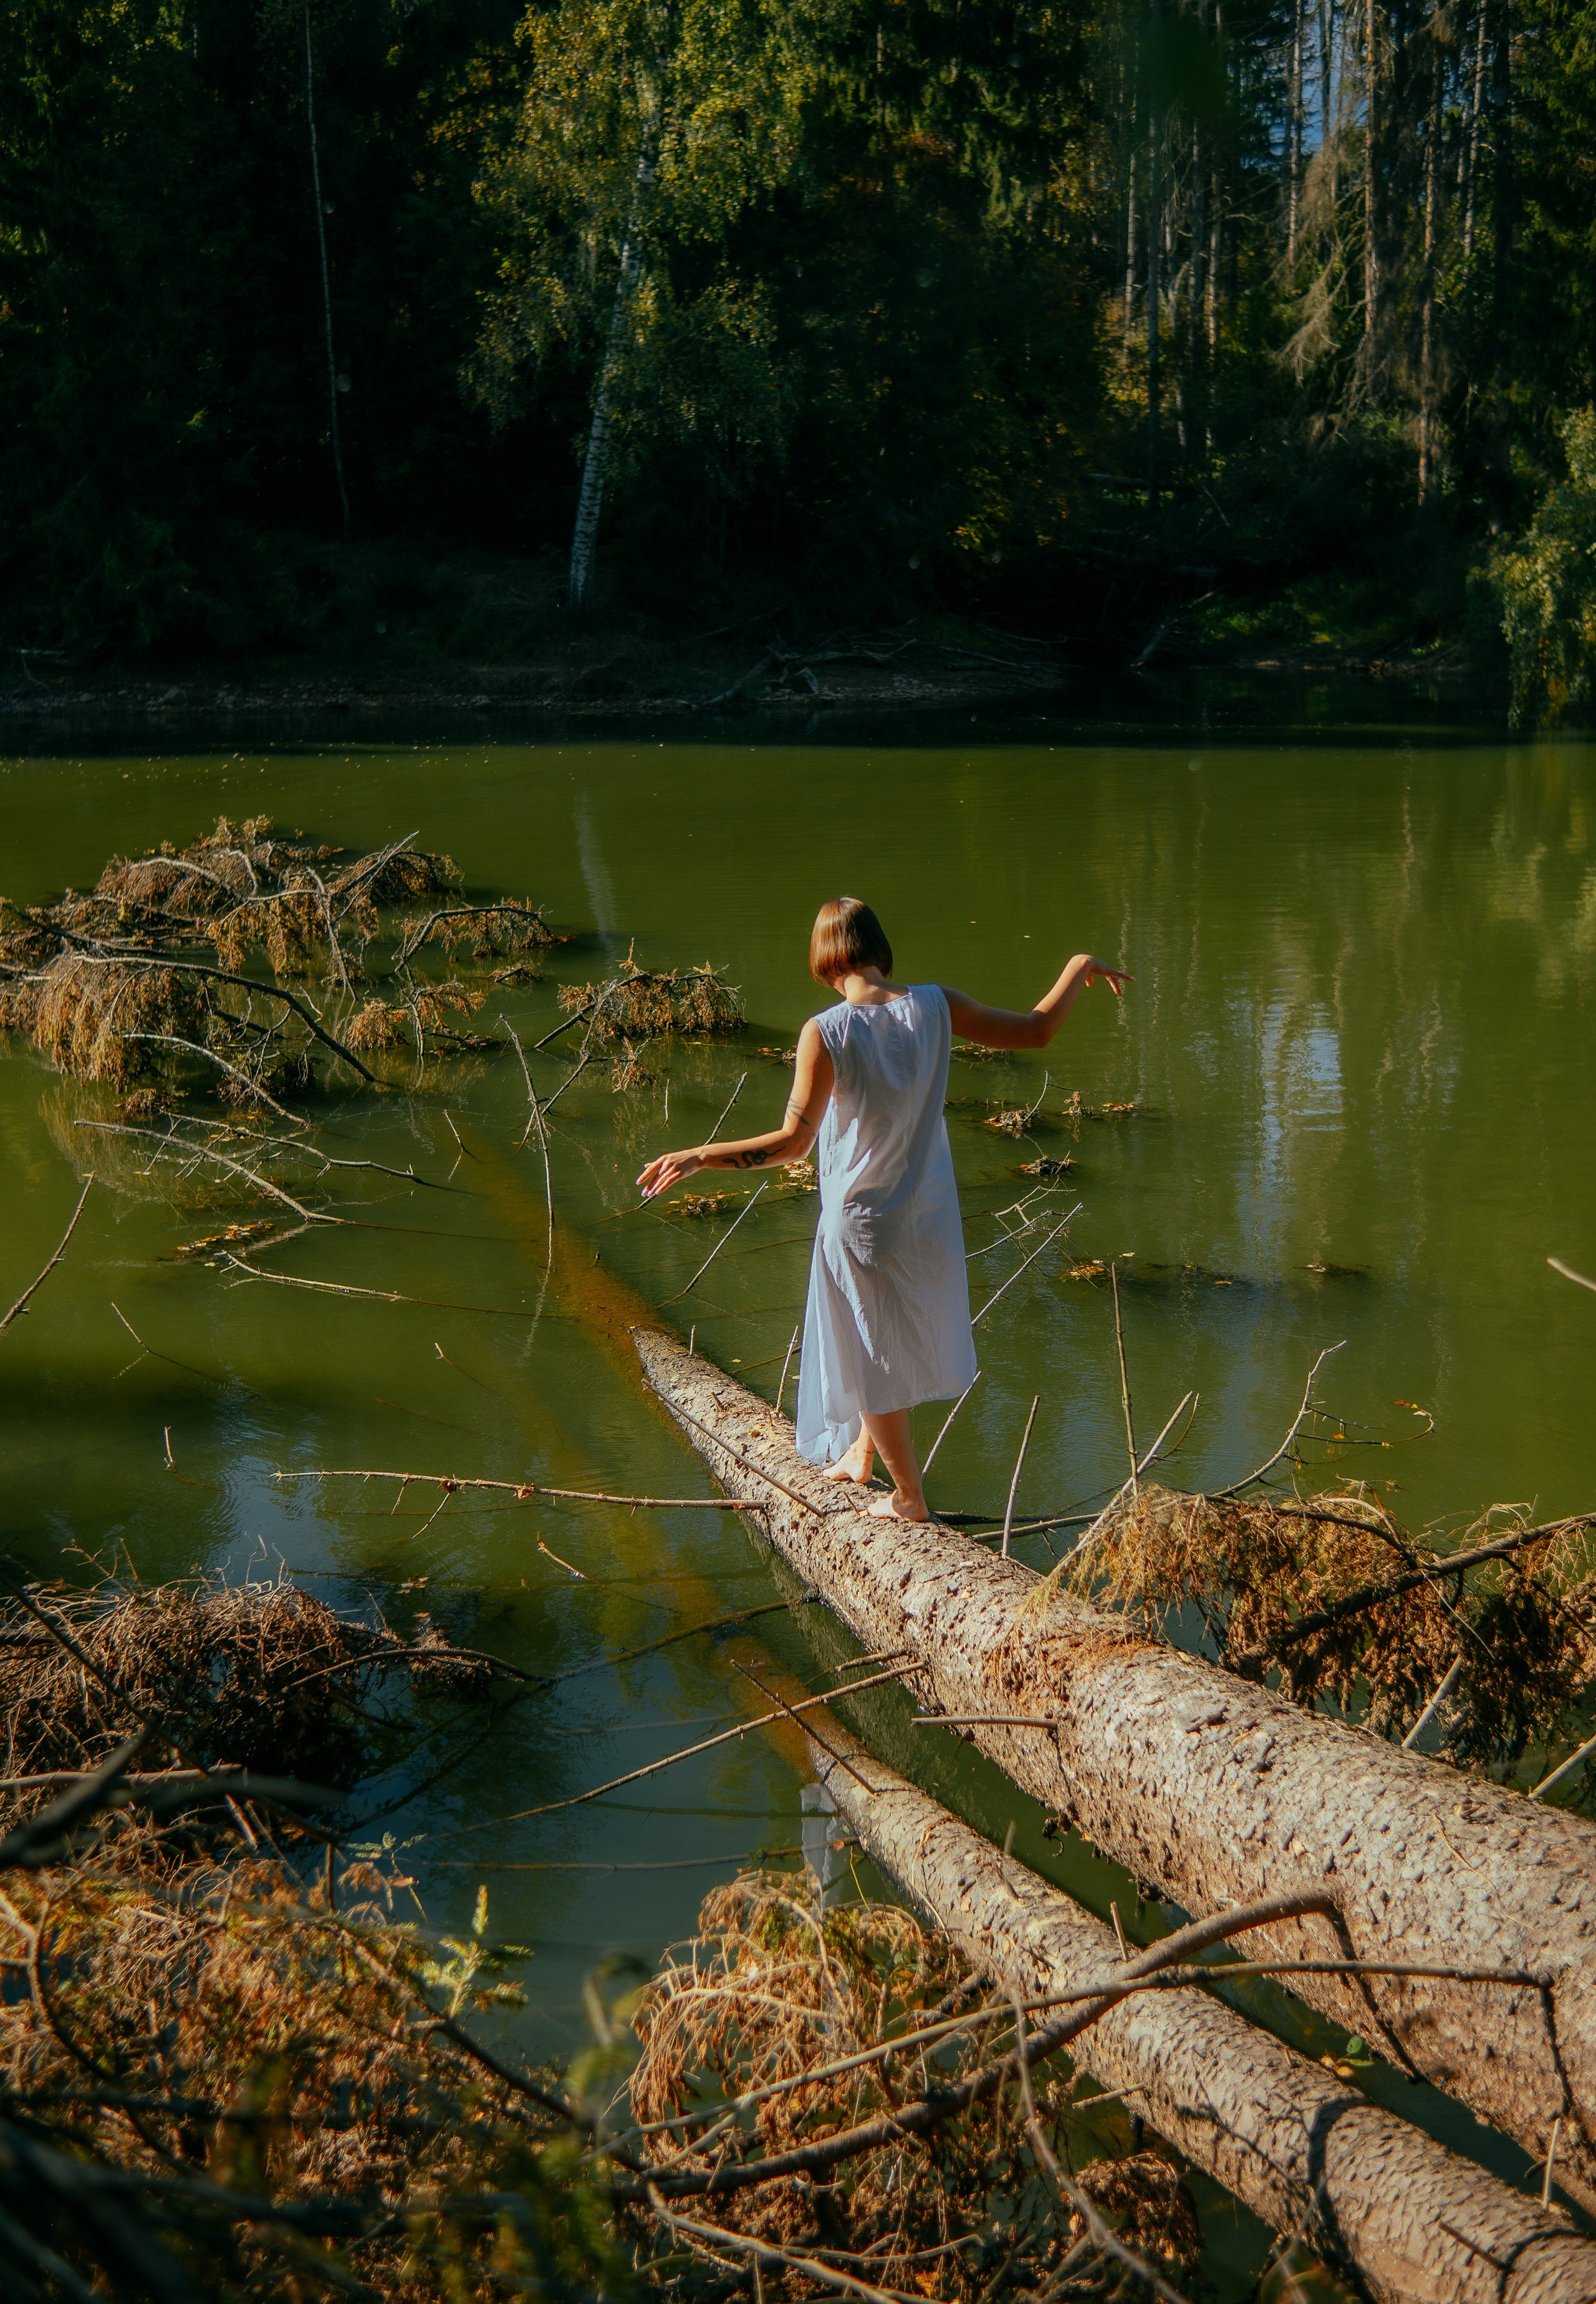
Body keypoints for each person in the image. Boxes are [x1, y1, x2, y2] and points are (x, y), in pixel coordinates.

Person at [637, 898, 1130, 1521]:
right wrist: (1078, 963)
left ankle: (907, 1496)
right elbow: (1035, 1030)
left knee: (868, 1355)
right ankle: (861, 1456)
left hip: (861, 1219)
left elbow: (791, 1144)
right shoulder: (936, 1004)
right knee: (885, 1339)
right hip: (926, 1213)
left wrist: (702, 1154)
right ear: (878, 946)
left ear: (821, 958)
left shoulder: (827, 1030)